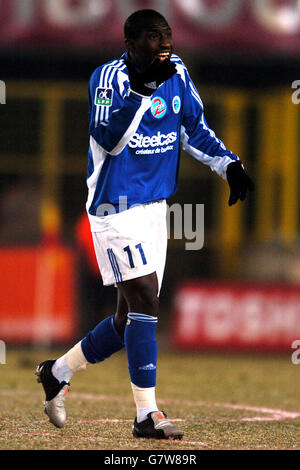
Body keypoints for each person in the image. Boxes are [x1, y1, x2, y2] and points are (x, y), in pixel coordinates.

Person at [35, 9, 254, 440]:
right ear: (130, 42)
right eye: (154, 36)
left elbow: (194, 127)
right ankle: (146, 415)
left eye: (167, 33)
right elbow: (107, 137)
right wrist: (140, 92)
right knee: (147, 298)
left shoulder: (177, 72)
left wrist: (229, 165)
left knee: (126, 320)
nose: (164, 42)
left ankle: (57, 371)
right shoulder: (107, 78)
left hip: (155, 209)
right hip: (114, 208)